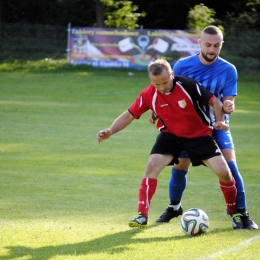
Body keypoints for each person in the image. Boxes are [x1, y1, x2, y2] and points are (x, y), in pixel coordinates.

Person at [97, 59, 243, 229]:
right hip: (170, 136)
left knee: (224, 173)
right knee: (152, 166)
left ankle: (234, 212)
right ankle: (141, 215)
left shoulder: (188, 85)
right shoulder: (148, 94)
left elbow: (215, 102)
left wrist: (219, 121)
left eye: (165, 82)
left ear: (172, 75)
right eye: (156, 84)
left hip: (199, 135)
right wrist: (111, 130)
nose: (162, 87)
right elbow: (129, 114)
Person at [152, 26, 258, 229]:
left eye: (216, 45)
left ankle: (241, 214)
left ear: (221, 45)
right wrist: (156, 111)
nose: (212, 49)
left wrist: (229, 105)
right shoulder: (182, 66)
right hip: (188, 127)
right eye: (208, 45)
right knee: (180, 166)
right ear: (199, 43)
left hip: (217, 125)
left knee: (230, 168)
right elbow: (167, 92)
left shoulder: (228, 69)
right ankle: (174, 207)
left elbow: (228, 100)